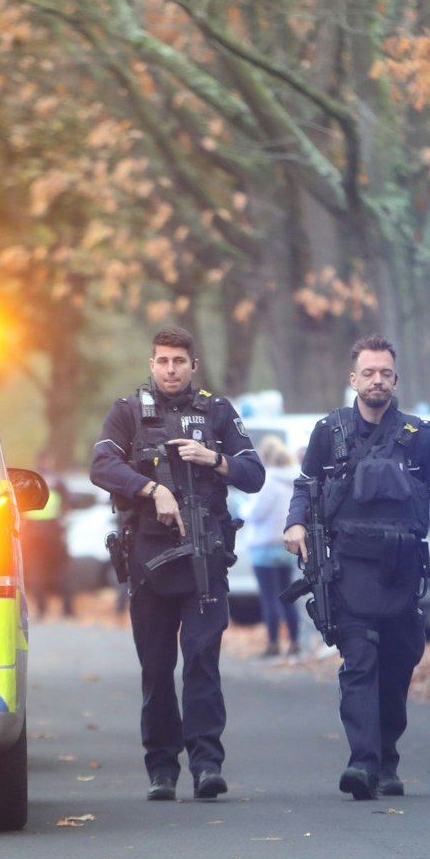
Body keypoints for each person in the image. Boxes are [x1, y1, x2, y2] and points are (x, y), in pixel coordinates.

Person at [286, 336, 430, 800]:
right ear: (354, 379)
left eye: (385, 373)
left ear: (395, 379)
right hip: (348, 573)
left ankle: (386, 758)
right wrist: (295, 525)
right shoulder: (329, 432)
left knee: (396, 666)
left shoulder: (419, 435)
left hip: (402, 573)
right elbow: (305, 487)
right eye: (368, 372)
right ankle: (362, 764)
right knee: (360, 663)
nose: (377, 380)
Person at [90, 327, 265, 802]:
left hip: (205, 559)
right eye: (163, 361)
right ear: (152, 364)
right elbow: (101, 466)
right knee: (156, 666)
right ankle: (162, 768)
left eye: (179, 362)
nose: (171, 369)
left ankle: (207, 763)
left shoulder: (218, 411)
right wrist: (152, 489)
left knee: (203, 661)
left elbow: (255, 474)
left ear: (193, 366)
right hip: (149, 561)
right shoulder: (127, 411)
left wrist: (215, 459)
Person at [242, 435, 303, 659]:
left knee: (269, 597)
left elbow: (256, 513)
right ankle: (295, 642)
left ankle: (273, 644)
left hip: (264, 547)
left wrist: (244, 510)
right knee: (287, 595)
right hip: (286, 546)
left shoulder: (268, 481)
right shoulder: (294, 480)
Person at [22, 451, 74, 620]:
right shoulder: (57, 481)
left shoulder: (30, 480)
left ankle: (41, 609)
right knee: (60, 570)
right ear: (49, 461)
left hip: (33, 533)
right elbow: (68, 504)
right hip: (53, 532)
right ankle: (67, 609)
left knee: (37, 571)